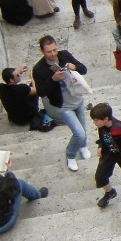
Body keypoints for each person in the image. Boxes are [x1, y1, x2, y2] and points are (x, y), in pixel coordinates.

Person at [32, 36, 90, 171]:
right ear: (42, 52)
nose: (53, 54)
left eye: (54, 50)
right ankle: (70, 154)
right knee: (79, 133)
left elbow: (83, 69)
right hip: (63, 105)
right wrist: (52, 80)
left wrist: (74, 67)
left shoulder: (64, 55)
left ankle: (83, 145)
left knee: (83, 128)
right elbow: (40, 92)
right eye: (49, 52)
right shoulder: (39, 69)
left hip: (77, 98)